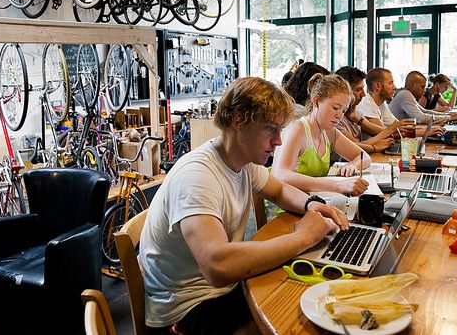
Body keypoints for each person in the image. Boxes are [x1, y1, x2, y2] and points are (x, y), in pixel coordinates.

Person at [140, 77, 348, 335]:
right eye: (270, 129)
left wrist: (312, 204)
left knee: (312, 299)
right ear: (239, 121)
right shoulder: (197, 176)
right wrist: (302, 237)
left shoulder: (243, 162)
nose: (279, 141)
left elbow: (280, 190)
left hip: (220, 291)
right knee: (300, 319)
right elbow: (217, 266)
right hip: (187, 309)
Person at [272, 73, 371, 196]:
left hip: (313, 202)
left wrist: (352, 165)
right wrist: (337, 185)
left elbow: (364, 157)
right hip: (286, 210)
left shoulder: (329, 132)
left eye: (343, 110)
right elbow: (280, 175)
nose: (339, 115)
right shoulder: (297, 129)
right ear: (316, 101)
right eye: (335, 108)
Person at [334, 66, 399, 153]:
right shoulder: (336, 117)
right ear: (343, 92)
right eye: (358, 90)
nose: (364, 94)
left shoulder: (354, 110)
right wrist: (375, 147)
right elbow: (354, 146)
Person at [389, 71, 457, 125]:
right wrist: (449, 118)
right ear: (412, 85)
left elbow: (424, 111)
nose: (424, 90)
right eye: (422, 87)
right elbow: (421, 118)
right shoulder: (405, 94)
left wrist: (447, 115)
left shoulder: (409, 95)